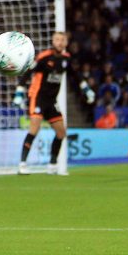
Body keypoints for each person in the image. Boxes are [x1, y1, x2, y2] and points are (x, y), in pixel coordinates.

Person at [14, 31, 94, 175]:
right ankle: (22, 164)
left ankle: (52, 165)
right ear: (53, 41)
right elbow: (27, 72)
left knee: (61, 132)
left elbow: (76, 75)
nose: (59, 42)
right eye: (57, 39)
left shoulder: (66, 59)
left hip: (51, 101)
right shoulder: (44, 57)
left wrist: (86, 89)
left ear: (66, 43)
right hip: (37, 97)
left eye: (62, 40)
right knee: (34, 128)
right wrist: (20, 91)